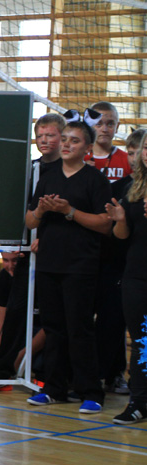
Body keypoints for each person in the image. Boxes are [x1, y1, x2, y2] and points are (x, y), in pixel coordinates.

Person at [26, 111, 114, 413]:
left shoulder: (95, 180)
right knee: (53, 328)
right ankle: (54, 388)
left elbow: (105, 224)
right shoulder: (48, 177)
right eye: (63, 139)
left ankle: (91, 391)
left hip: (80, 265)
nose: (65, 144)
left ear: (87, 148)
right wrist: (41, 211)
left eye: (73, 141)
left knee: (79, 329)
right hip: (49, 263)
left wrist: (69, 212)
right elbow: (30, 220)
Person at [0, 112, 66, 390]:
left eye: (50, 135)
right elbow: (15, 210)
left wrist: (48, 239)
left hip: (58, 254)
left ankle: (47, 375)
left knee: (54, 316)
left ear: (62, 137)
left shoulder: (69, 171)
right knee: (16, 312)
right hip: (26, 252)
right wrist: (11, 248)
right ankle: (2, 372)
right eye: (40, 136)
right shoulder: (29, 169)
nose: (44, 140)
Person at [87, 102, 131, 394]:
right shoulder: (80, 157)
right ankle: (80, 373)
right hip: (85, 248)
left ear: (117, 126)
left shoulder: (128, 160)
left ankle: (115, 373)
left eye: (110, 123)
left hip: (118, 251)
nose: (105, 128)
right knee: (80, 315)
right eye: (100, 122)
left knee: (115, 315)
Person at [107, 139, 147, 423]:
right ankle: (139, 402)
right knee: (141, 341)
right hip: (136, 274)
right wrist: (120, 219)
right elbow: (122, 236)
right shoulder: (133, 187)